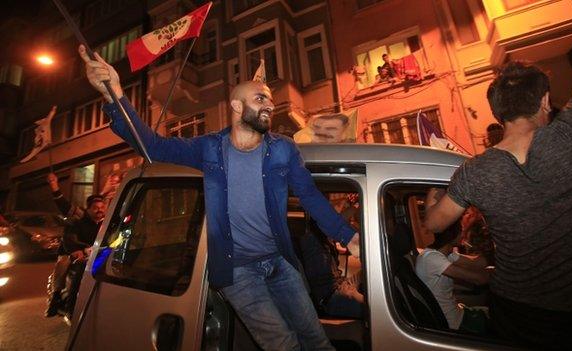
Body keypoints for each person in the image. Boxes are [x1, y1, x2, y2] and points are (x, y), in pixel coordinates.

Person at [79, 45, 360, 350]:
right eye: (260, 98)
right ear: (237, 106)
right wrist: (114, 96)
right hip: (238, 272)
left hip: (279, 261)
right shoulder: (210, 149)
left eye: (270, 99)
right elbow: (152, 145)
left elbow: (309, 195)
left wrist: (347, 235)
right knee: (283, 345)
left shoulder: (283, 149)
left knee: (316, 339)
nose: (269, 104)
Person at [423, 0, 572, 348]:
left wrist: (431, 201)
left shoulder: (475, 171)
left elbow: (435, 224)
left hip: (515, 317)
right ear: (545, 101)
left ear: (499, 114)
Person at [415, 222, 490, 334]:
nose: (463, 234)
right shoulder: (432, 258)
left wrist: (494, 251)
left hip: (456, 312)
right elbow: (478, 279)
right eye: (461, 231)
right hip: (452, 322)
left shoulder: (445, 254)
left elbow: (476, 262)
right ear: (451, 235)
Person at [293, 219, 364, 319]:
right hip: (329, 298)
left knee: (366, 277)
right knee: (370, 312)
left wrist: (350, 286)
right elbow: (321, 281)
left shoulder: (323, 242)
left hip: (336, 287)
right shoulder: (313, 243)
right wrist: (353, 293)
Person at [61, 194, 106, 319]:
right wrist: (81, 250)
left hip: (102, 255)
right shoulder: (78, 223)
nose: (100, 210)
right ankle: (71, 309)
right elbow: (70, 240)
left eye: (102, 207)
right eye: (96, 207)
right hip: (83, 256)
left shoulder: (107, 223)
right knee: (82, 270)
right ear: (88, 209)